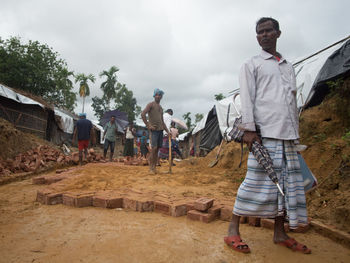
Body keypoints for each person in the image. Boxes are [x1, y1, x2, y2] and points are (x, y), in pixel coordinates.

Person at [224, 17, 311, 254]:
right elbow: (247, 98)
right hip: (264, 135)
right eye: (260, 32)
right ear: (256, 37)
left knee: (284, 186)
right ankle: (232, 230)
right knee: (253, 183)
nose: (264, 35)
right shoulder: (251, 64)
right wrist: (250, 131)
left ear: (278, 33)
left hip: (287, 137)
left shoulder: (287, 66)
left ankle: (280, 233)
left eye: (268, 31)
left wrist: (295, 135)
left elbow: (291, 102)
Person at [141, 88, 170, 173]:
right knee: (153, 148)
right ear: (154, 96)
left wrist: (168, 131)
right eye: (156, 94)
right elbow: (143, 114)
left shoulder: (160, 108)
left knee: (157, 149)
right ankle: (151, 168)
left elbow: (162, 121)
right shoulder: (151, 105)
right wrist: (148, 125)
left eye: (159, 95)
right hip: (154, 130)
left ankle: (154, 167)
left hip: (160, 130)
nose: (158, 96)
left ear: (161, 97)